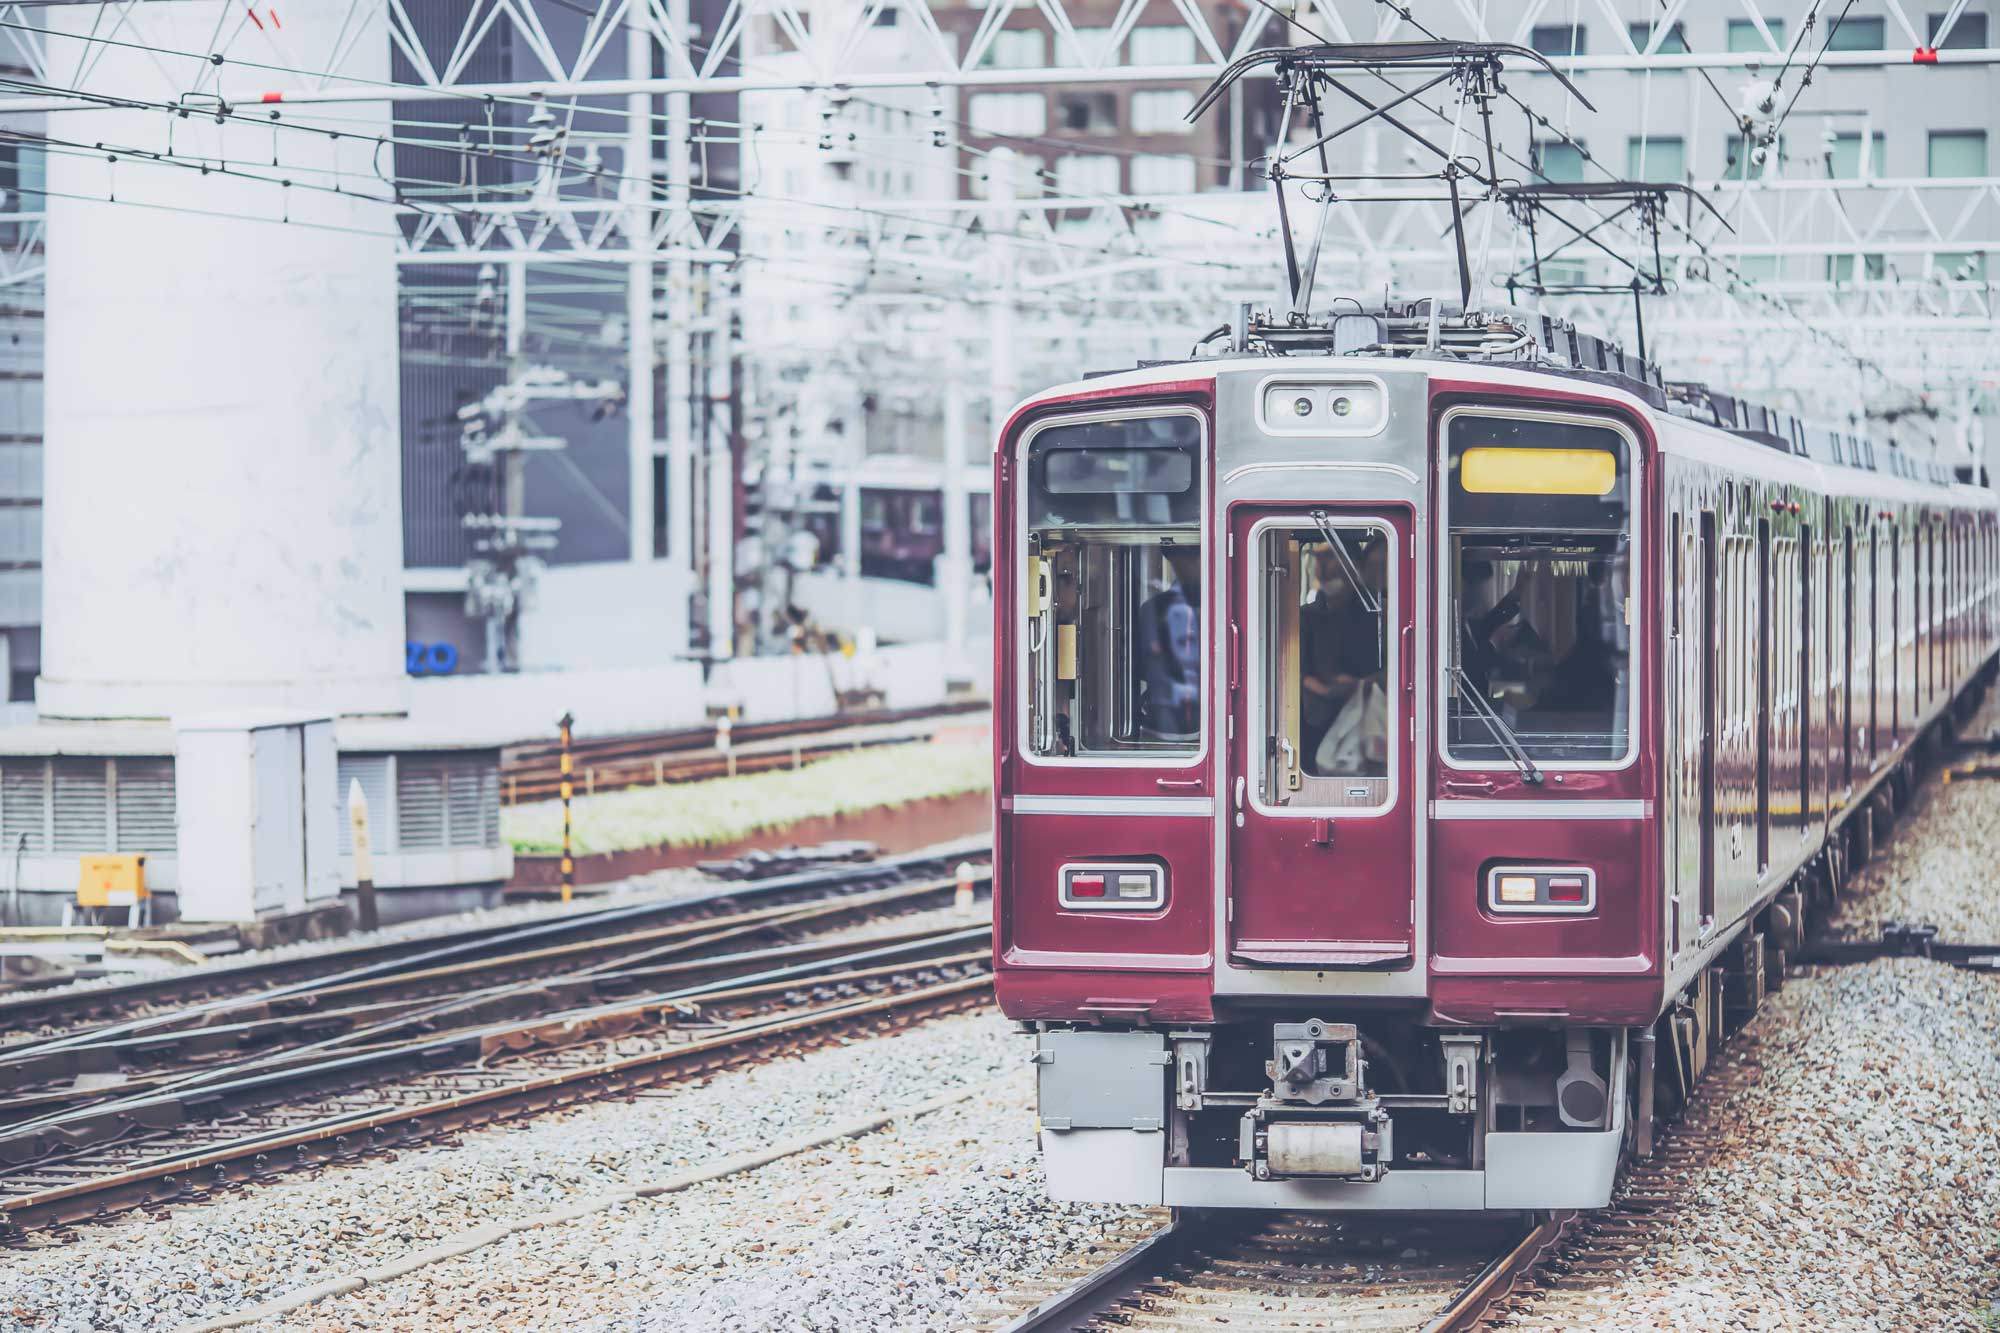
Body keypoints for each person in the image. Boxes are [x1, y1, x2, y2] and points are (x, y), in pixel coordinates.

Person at [1138, 547, 1201, 741]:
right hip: (1160, 727)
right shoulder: (1153, 609)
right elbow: (1140, 667)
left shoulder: (1154, 608)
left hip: (1208, 720)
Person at [1300, 547, 1353, 764]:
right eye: (1321, 566)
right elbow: (1297, 670)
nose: (1323, 571)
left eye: (1332, 564)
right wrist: (1329, 691)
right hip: (1317, 714)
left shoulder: (1376, 613)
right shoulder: (1305, 616)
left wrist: (1364, 685)